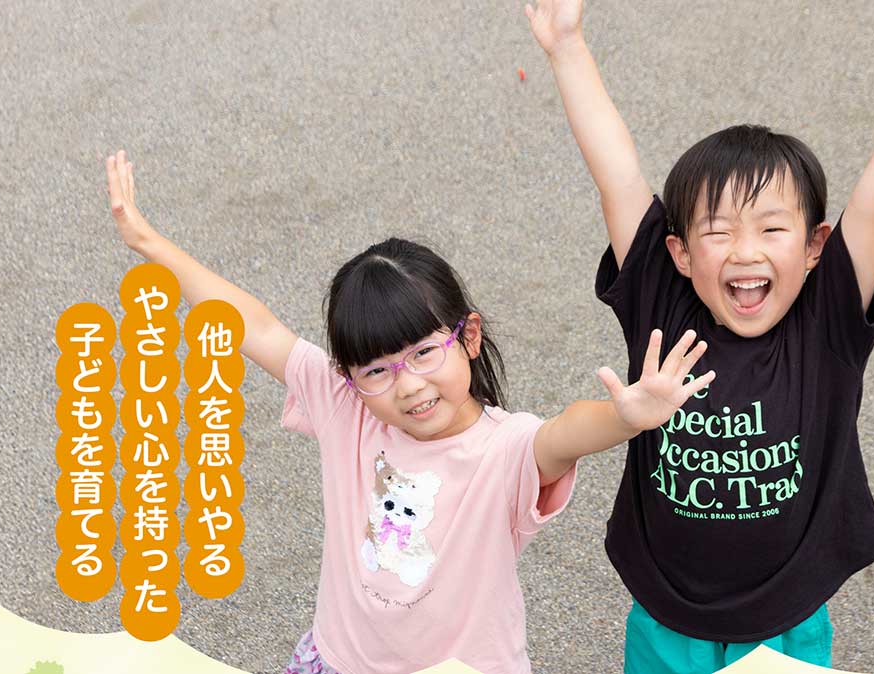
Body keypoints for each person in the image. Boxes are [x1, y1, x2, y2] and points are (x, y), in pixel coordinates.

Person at [527, 0, 874, 670]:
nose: (745, 251)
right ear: (679, 253)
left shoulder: (830, 317)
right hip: (666, 611)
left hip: (786, 615)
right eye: (717, 231)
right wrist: (566, 45)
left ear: (816, 244)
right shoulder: (660, 299)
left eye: (771, 228)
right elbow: (616, 175)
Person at [104, 150, 716, 674]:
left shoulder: (503, 448)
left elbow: (562, 436)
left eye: (424, 352)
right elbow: (255, 326)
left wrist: (625, 418)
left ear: (468, 336)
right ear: (350, 376)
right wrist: (146, 242)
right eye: (377, 369)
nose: (408, 385)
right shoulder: (347, 406)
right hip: (340, 660)